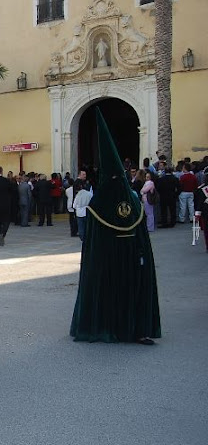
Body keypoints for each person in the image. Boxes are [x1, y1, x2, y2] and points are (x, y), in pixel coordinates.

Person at [70, 109, 160, 345]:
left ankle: (120, 328)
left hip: (118, 260)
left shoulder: (105, 202)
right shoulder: (124, 201)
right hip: (124, 259)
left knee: (121, 291)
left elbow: (94, 242)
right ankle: (126, 328)